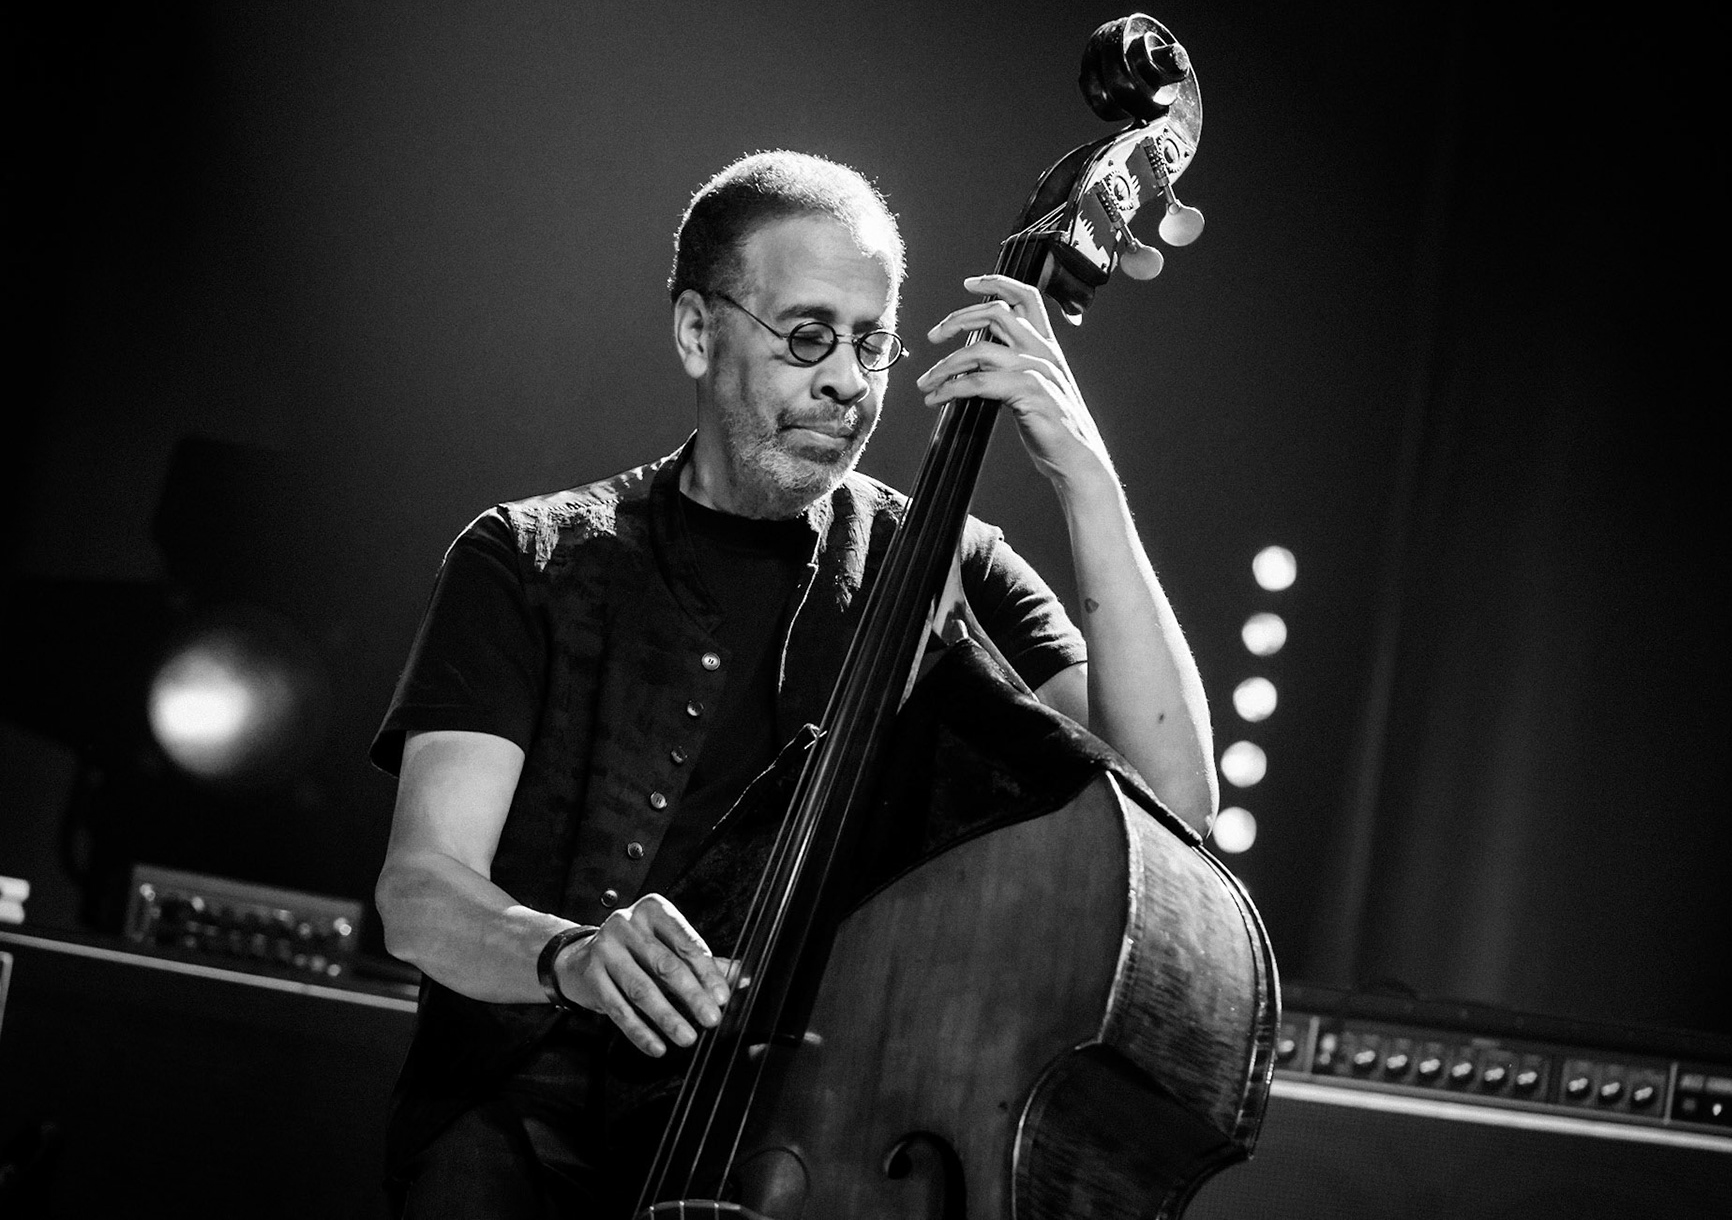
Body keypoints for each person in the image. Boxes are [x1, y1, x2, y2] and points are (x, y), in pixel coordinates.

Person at [372, 150, 1217, 1217]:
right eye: (808, 336)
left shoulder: (942, 562)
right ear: (697, 331)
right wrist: (569, 954)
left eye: (872, 342)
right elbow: (421, 890)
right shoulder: (528, 559)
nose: (848, 381)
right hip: (523, 1135)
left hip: (797, 1148)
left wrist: (1082, 470)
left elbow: (1173, 803)